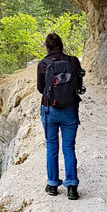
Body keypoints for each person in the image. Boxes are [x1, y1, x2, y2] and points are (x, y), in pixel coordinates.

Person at [37, 33, 83, 200]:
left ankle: (52, 185)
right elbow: (78, 84)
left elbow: (41, 89)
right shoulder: (73, 61)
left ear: (47, 48)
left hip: (50, 110)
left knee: (52, 147)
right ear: (62, 46)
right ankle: (72, 187)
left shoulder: (43, 64)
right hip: (70, 110)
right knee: (69, 147)